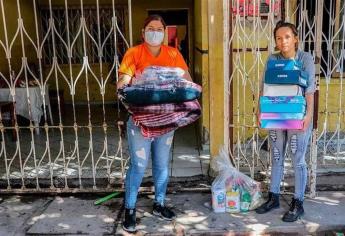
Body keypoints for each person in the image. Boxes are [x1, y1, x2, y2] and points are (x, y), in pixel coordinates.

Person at [117, 15, 192, 233]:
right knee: (139, 166)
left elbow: (185, 79)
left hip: (166, 120)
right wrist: (127, 85)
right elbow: (123, 82)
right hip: (140, 120)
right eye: (151, 28)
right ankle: (130, 209)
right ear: (143, 32)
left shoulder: (173, 53)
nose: (155, 32)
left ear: (164, 32)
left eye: (159, 29)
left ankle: (159, 204)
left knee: (161, 165)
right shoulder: (134, 53)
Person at [255, 20, 315, 222]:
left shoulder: (305, 58)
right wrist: (260, 111)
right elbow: (265, 86)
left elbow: (310, 90)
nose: (283, 42)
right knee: (277, 156)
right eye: (279, 38)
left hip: (298, 116)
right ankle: (273, 197)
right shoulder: (272, 58)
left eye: (287, 37)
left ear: (295, 38)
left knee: (298, 159)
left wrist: (308, 115)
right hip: (275, 114)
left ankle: (298, 203)